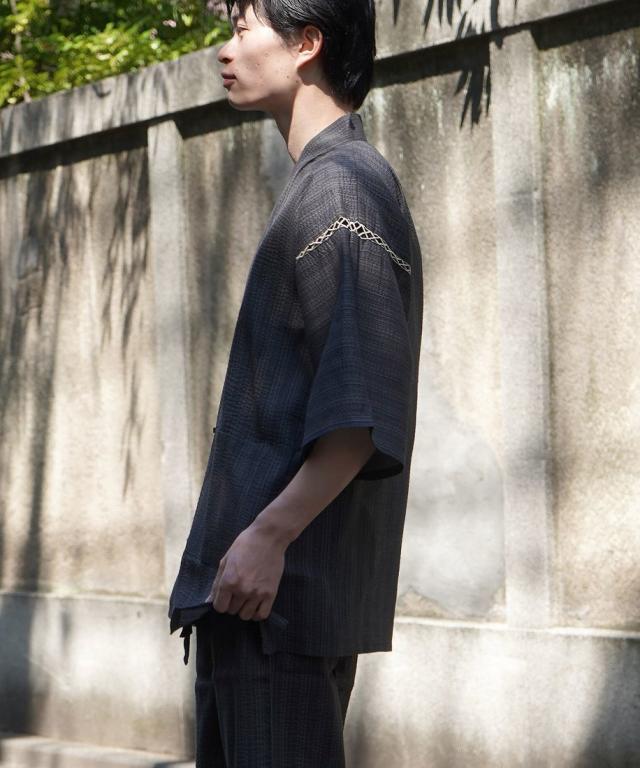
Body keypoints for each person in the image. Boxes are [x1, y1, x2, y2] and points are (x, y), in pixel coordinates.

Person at [167, 0, 424, 765]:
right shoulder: (333, 182)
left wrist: (268, 537)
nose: (225, 50)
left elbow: (359, 408)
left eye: (243, 28)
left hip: (277, 604)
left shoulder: (341, 190)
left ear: (306, 42)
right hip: (266, 601)